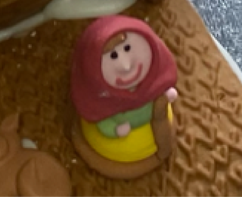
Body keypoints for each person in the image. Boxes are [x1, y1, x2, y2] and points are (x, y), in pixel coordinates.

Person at [70, 16, 178, 178]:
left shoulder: (152, 78)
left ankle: (163, 151)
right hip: (119, 127)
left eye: (127, 48)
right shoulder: (99, 100)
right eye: (113, 56)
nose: (126, 66)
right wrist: (115, 129)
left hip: (154, 114)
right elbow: (102, 120)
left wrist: (162, 93)